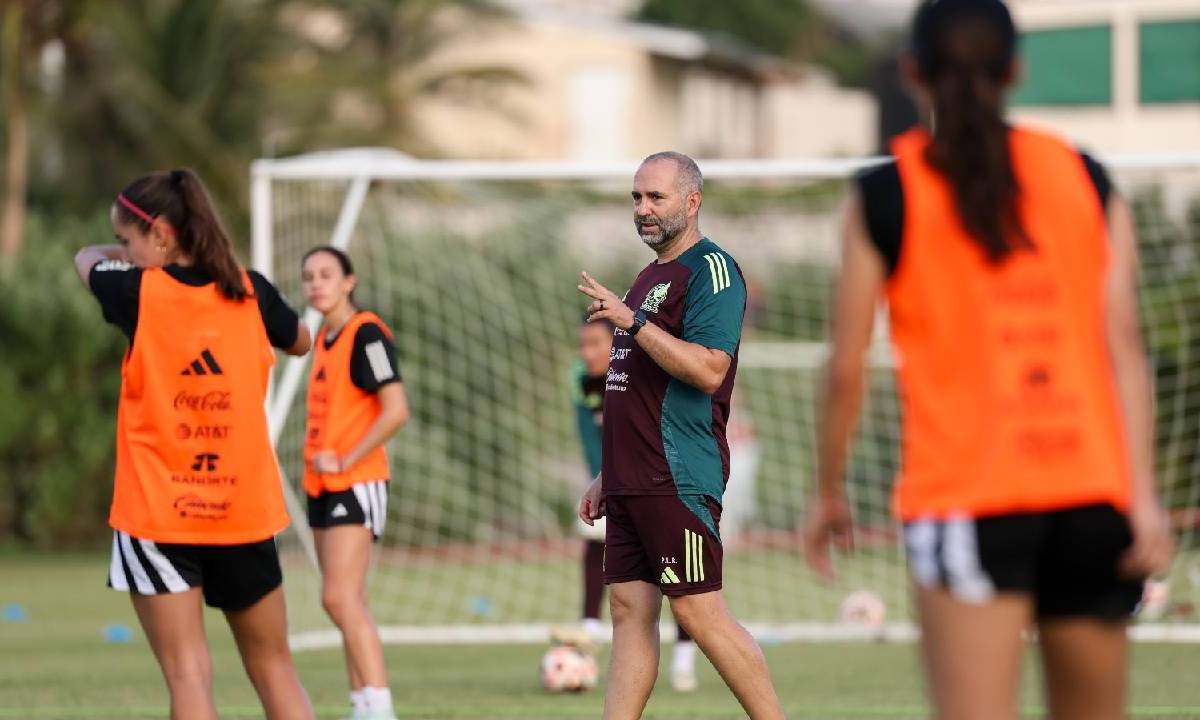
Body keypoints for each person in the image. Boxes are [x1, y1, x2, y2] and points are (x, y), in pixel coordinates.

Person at [803, 2, 1175, 719]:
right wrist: (1143, 493)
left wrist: (828, 492)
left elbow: (845, 365)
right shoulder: (1086, 178)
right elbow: (1122, 345)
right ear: (1015, 72)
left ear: (912, 73)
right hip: (1093, 494)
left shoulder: (886, 194)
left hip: (970, 498)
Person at [75, 168, 314, 720]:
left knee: (189, 675)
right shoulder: (251, 291)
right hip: (241, 510)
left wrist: (122, 251)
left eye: (131, 241)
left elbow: (84, 259)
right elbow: (300, 339)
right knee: (276, 668)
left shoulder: (135, 291)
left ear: (161, 233)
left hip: (160, 513)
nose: (126, 254)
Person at [577, 151, 784, 719]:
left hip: (676, 474)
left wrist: (632, 322)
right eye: (636, 198)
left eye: (656, 198)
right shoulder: (647, 278)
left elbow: (711, 369)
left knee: (698, 613)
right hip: (630, 477)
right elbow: (634, 386)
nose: (643, 209)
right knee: (627, 610)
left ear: (692, 202)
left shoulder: (712, 271)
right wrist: (606, 472)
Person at [301, 245, 410, 720]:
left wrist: (345, 457)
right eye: (308, 277)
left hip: (356, 480)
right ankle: (361, 704)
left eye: (326, 274)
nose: (316, 284)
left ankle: (379, 708)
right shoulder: (324, 337)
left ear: (349, 281)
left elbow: (396, 411)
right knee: (348, 600)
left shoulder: (366, 333)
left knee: (338, 598)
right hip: (321, 486)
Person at [570, 317, 700, 692]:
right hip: (615, 479)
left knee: (680, 582)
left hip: (666, 486)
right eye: (583, 345)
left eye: (596, 343)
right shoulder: (585, 385)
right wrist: (602, 479)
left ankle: (684, 660)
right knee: (598, 549)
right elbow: (592, 441)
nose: (587, 353)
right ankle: (588, 635)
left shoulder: (644, 379)